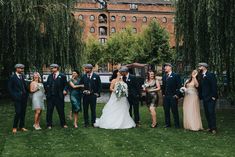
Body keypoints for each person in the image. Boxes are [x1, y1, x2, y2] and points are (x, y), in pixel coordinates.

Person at [45, 64, 68, 129]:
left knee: (61, 111)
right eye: (51, 68)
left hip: (59, 97)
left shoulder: (62, 76)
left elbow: (66, 85)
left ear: (56, 68)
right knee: (49, 111)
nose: (51, 69)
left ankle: (63, 124)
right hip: (50, 97)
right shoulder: (50, 76)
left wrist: (65, 90)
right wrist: (47, 91)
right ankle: (49, 124)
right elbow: (47, 84)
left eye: (52, 68)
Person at [8, 64, 29, 133]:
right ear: (16, 69)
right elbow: (10, 88)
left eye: (22, 68)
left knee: (23, 112)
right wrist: (14, 96)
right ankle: (14, 127)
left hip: (24, 97)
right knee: (18, 112)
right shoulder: (12, 77)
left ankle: (21, 126)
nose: (22, 70)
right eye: (20, 68)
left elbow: (24, 86)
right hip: (17, 98)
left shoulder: (22, 76)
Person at [198, 63, 218, 134]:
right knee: (206, 112)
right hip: (204, 97)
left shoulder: (210, 75)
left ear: (204, 67)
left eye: (200, 66)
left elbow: (214, 86)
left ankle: (213, 128)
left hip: (211, 97)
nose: (199, 67)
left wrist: (214, 96)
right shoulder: (200, 76)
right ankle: (210, 127)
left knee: (211, 112)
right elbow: (200, 87)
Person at [162, 63, 182, 128]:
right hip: (166, 97)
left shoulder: (176, 75)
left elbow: (179, 86)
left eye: (166, 67)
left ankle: (177, 124)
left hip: (173, 96)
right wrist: (163, 94)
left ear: (170, 67)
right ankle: (167, 124)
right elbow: (163, 86)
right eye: (164, 67)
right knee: (166, 111)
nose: (165, 68)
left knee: (174, 111)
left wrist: (177, 95)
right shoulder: (164, 76)